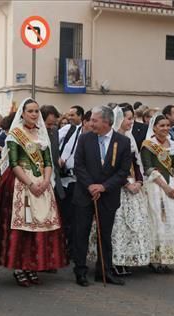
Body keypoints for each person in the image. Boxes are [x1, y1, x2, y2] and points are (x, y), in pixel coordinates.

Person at [0, 99, 67, 287]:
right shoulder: (16, 134)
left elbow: (48, 161)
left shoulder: (42, 134)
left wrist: (46, 181)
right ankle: (19, 267)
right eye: (30, 111)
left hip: (42, 182)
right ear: (22, 114)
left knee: (40, 227)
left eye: (36, 111)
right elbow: (14, 164)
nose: (34, 114)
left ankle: (32, 266)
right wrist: (31, 183)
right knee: (22, 227)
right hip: (21, 183)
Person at [73, 105, 132, 287]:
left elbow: (123, 171)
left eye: (94, 120)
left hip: (108, 196)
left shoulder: (122, 142)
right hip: (85, 193)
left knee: (105, 235)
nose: (91, 123)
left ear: (106, 122)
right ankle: (80, 271)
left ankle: (104, 271)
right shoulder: (84, 139)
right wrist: (91, 185)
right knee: (80, 233)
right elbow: (79, 166)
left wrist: (104, 187)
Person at [89, 106, 152, 276]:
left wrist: (138, 181)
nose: (131, 122)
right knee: (117, 226)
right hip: (117, 188)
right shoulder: (112, 140)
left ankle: (127, 259)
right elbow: (113, 169)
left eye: (132, 118)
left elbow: (136, 163)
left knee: (134, 225)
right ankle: (113, 261)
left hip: (133, 187)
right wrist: (126, 184)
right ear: (118, 119)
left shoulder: (129, 139)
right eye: (128, 118)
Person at [141, 115, 174, 273]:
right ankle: (156, 260)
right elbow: (148, 169)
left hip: (171, 185)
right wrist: (166, 188)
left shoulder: (172, 144)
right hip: (156, 187)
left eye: (167, 125)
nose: (165, 128)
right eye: (161, 125)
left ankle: (168, 258)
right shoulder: (148, 145)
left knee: (172, 221)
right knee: (158, 221)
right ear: (154, 127)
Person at [57, 105, 84, 256]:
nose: (69, 118)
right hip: (66, 179)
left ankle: (72, 248)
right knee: (66, 215)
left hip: (78, 180)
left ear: (81, 116)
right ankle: (65, 247)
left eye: (73, 115)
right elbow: (53, 142)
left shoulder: (83, 132)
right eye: (69, 115)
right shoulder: (69, 129)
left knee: (75, 217)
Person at [41, 105, 65, 200]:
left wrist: (58, 158)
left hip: (55, 175)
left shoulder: (55, 131)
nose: (51, 127)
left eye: (54, 124)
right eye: (49, 124)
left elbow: (55, 150)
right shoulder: (34, 133)